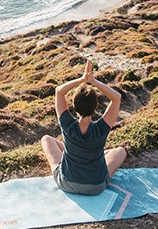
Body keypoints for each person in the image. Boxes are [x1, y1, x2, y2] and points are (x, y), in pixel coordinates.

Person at [40, 59, 127, 195]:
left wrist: (81, 79)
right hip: (96, 187)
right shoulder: (101, 128)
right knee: (120, 151)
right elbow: (116, 97)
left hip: (67, 183)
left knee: (46, 139)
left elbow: (59, 91)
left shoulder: (67, 124)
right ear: (96, 106)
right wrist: (94, 82)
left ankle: (72, 156)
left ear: (74, 106)